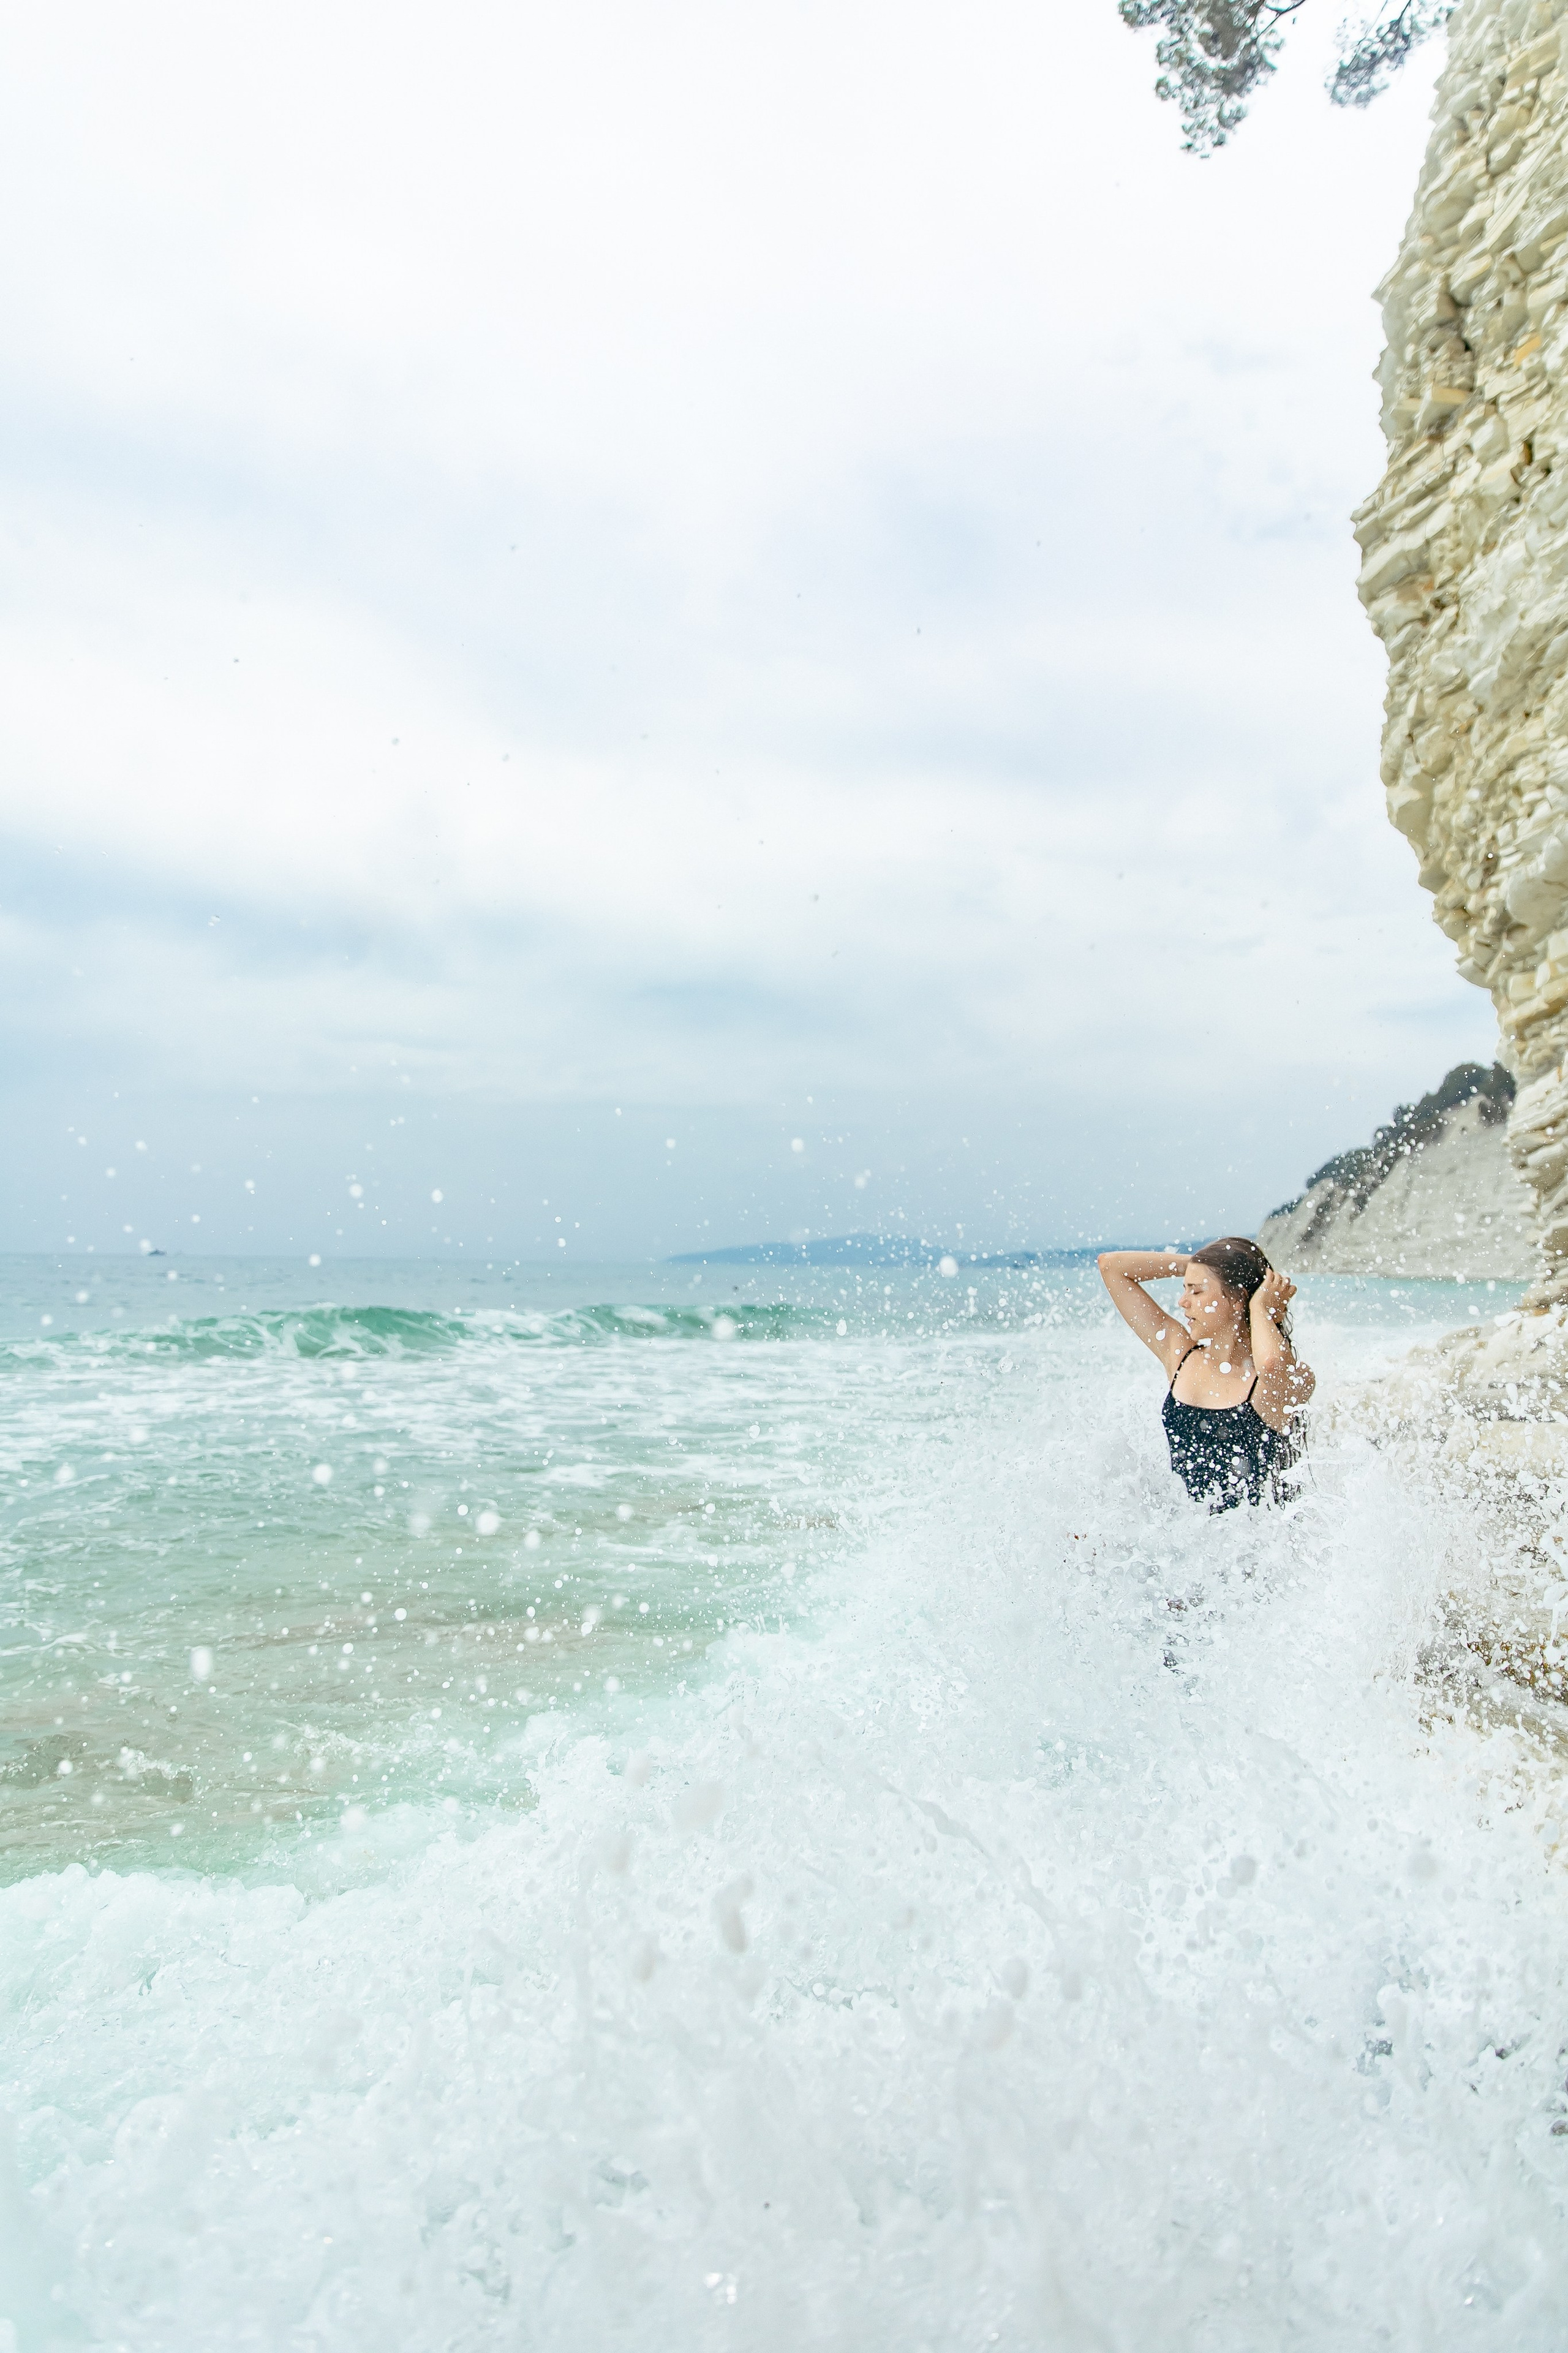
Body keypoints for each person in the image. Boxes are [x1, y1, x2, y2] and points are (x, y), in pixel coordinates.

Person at [1096, 1239, 1314, 1509]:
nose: (1183, 1302)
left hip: (1265, 1546)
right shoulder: (1181, 1357)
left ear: (1237, 1299)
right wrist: (1198, 1266)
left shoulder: (1280, 1379)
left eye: (1196, 1292)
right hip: (1189, 1541)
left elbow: (1271, 1365)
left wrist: (1260, 1309)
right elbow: (1111, 1267)